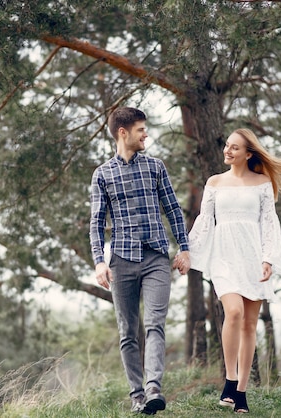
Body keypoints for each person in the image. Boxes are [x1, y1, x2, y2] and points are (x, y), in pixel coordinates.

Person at [188, 128, 281, 413]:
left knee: (250, 324)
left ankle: (241, 392)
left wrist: (268, 259)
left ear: (248, 154)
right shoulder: (214, 182)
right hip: (223, 257)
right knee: (233, 312)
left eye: (234, 148)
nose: (227, 150)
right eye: (227, 145)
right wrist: (186, 252)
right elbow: (204, 221)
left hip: (253, 257)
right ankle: (229, 379)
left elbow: (269, 223)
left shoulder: (262, 183)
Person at [89, 107, 191, 415]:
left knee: (155, 325)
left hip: (157, 258)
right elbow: (96, 222)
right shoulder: (102, 174)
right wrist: (99, 261)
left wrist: (183, 248)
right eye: (141, 129)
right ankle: (137, 394)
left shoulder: (156, 167)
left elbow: (173, 210)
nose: (146, 134)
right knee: (127, 331)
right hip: (121, 261)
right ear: (123, 132)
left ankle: (153, 389)